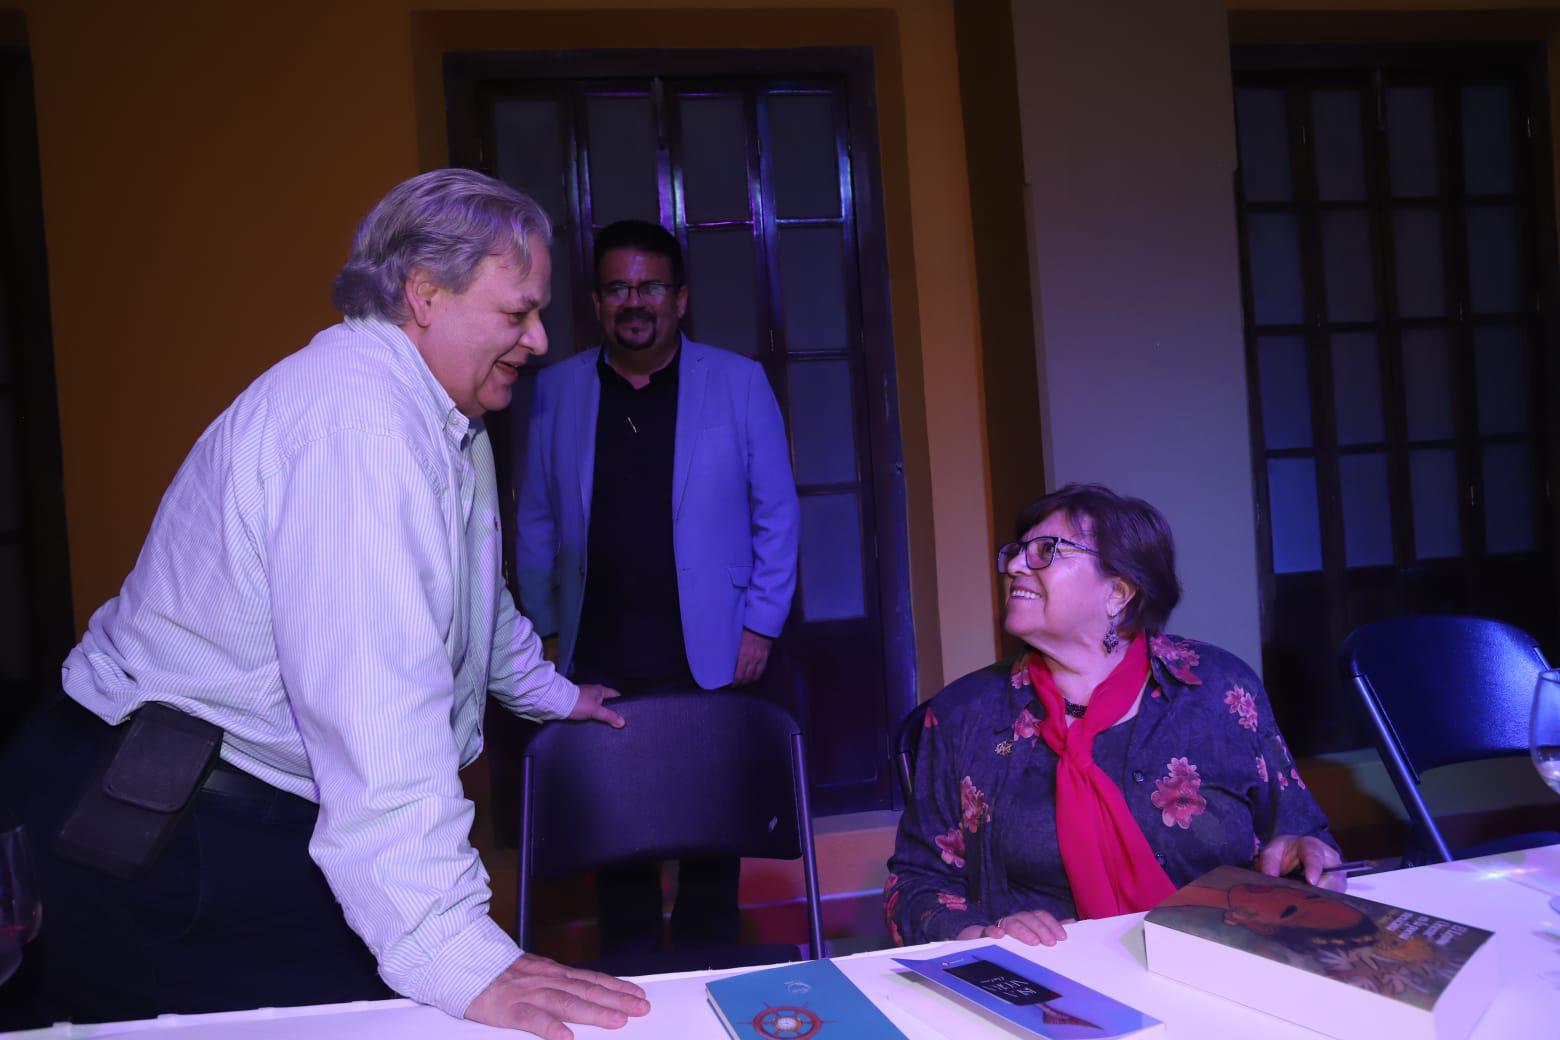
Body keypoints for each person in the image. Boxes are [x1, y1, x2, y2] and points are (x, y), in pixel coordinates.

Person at [0, 169, 649, 1039]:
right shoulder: (360, 426)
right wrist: (452, 946)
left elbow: (473, 600)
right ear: (424, 293)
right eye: (517, 312)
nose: (537, 339)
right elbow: (375, 705)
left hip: (242, 805)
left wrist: (553, 695)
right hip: (164, 826)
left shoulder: (444, 416)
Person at [885, 483, 1342, 948]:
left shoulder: (1219, 690)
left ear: (1118, 593)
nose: (1015, 565)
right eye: (1017, 551)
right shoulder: (965, 715)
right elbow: (915, 885)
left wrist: (1304, 854)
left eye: (1045, 550)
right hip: (1053, 976)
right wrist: (983, 934)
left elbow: (1300, 831)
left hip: (1225, 960)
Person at [516, 219, 799, 957]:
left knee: (712, 839)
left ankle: (709, 977)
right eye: (617, 288)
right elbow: (537, 518)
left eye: (649, 287)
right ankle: (631, 985)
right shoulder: (558, 389)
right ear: (596, 302)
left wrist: (761, 624)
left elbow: (776, 512)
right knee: (618, 840)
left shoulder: (737, 382)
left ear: (680, 298)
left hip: (711, 649)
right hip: (596, 652)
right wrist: (544, 630)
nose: (633, 301)